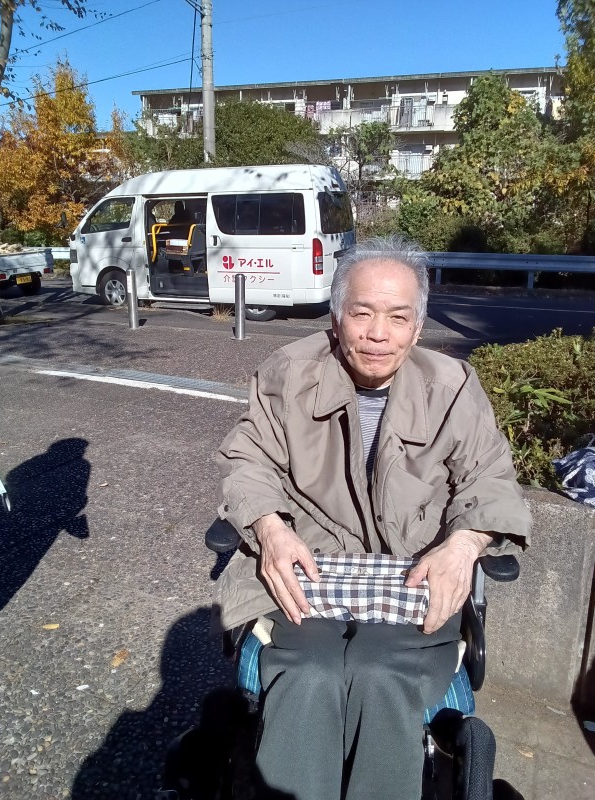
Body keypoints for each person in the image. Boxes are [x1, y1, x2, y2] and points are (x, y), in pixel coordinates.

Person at [213, 236, 532, 800]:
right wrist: (270, 528)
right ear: (337, 319)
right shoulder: (288, 373)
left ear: (417, 327)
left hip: (412, 575)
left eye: (398, 317)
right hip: (311, 570)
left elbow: (490, 478)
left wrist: (464, 545)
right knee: (308, 672)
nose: (378, 333)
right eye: (362, 313)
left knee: (381, 670)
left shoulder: (452, 387)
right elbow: (249, 459)